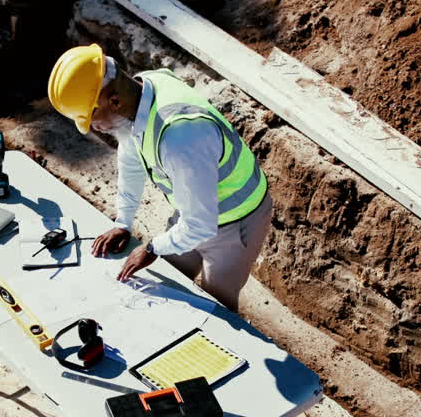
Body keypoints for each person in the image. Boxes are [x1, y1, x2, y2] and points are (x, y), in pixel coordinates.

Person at [46, 44, 273, 311]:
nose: (92, 128)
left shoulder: (179, 138)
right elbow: (130, 157)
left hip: (237, 221)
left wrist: (152, 248)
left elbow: (201, 225)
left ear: (115, 101)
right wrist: (124, 222)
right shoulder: (143, 89)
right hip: (194, 212)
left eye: (92, 118)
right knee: (168, 282)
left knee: (217, 308)